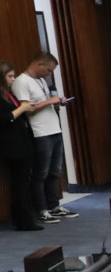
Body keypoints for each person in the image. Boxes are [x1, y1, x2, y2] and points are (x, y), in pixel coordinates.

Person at [10, 53, 72, 223]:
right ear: (39, 64)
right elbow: (26, 109)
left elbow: (43, 103)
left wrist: (56, 102)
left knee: (54, 172)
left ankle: (54, 206)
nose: (49, 74)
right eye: (49, 70)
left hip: (54, 128)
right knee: (41, 173)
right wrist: (49, 101)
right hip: (40, 132)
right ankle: (41, 209)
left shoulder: (41, 80)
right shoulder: (21, 82)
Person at [1, 61, 40, 230]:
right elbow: (5, 118)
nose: (13, 79)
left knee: (23, 181)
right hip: (11, 146)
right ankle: (24, 221)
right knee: (20, 184)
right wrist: (22, 108)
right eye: (9, 76)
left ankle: (25, 218)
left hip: (22, 142)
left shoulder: (8, 95)